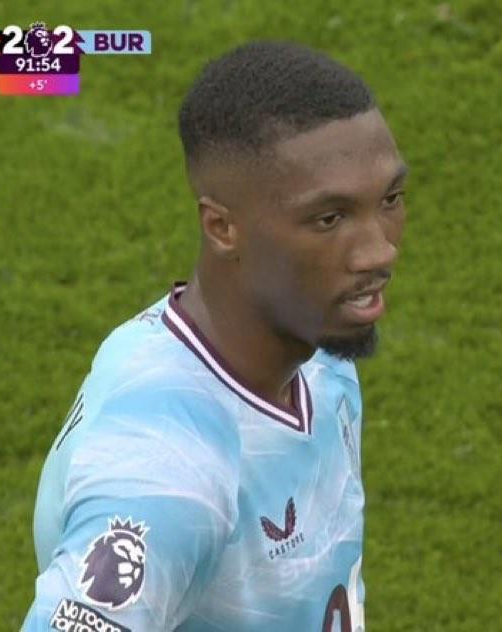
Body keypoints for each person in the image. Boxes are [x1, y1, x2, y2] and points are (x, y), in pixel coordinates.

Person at [22, 40, 408, 631]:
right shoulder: (166, 467)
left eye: (390, 200)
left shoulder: (314, 347)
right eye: (329, 219)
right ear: (222, 227)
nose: (379, 251)